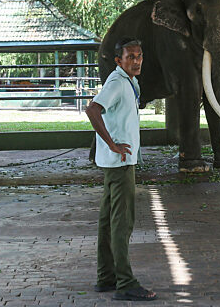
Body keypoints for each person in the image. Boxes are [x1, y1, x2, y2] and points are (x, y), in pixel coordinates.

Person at [85, 38, 157, 302]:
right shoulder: (116, 83)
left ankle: (106, 277)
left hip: (115, 163)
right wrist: (112, 144)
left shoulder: (127, 81)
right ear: (118, 60)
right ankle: (125, 283)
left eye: (139, 56)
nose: (136, 61)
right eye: (130, 57)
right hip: (120, 164)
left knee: (107, 222)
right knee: (121, 223)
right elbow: (92, 110)